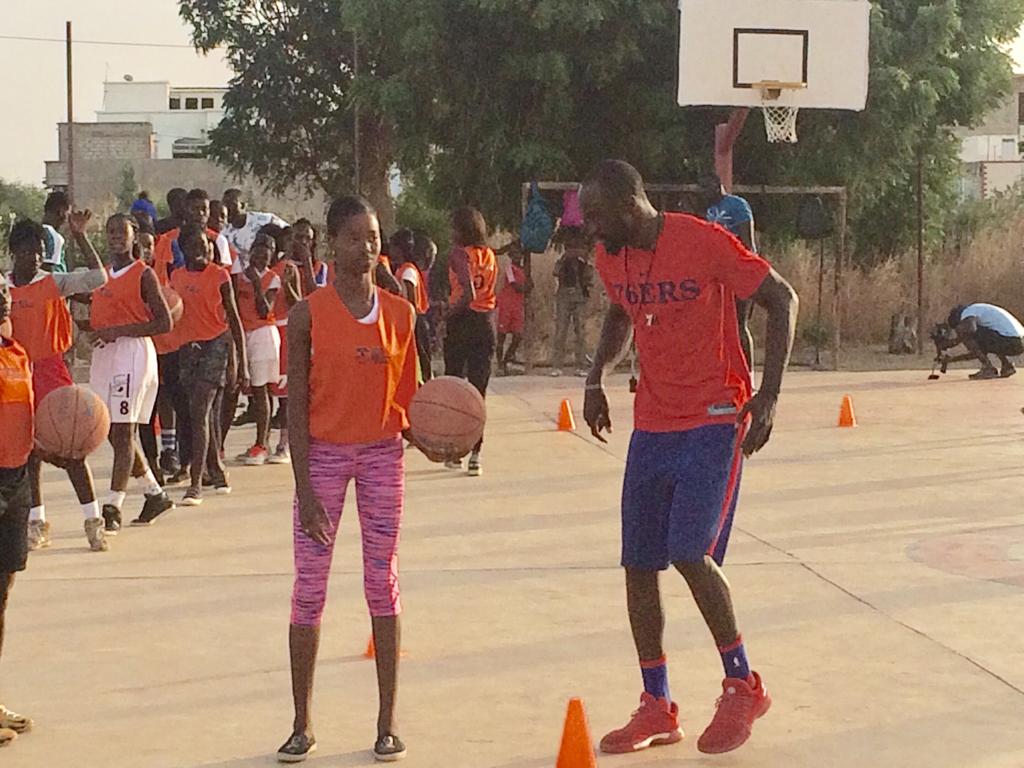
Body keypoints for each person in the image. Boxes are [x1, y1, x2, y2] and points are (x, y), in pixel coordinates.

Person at [580, 160, 797, 756]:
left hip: (715, 417)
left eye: (596, 214)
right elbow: (622, 309)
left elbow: (783, 299)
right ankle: (657, 705)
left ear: (629, 204)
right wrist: (596, 375)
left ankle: (742, 684)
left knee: (687, 551)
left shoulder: (703, 242)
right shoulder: (611, 256)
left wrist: (770, 395)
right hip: (652, 424)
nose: (590, 228)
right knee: (638, 562)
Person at [278, 195, 449, 765]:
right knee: (309, 589)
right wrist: (303, 490)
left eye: (374, 236)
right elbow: (295, 410)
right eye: (355, 237)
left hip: (380, 456)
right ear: (332, 244)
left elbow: (410, 406)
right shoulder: (307, 313)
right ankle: (301, 723)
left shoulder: (400, 313)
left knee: (383, 582)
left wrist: (439, 444)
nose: (367, 246)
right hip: (323, 457)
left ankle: (387, 722)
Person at [7, 215, 109, 552]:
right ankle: (37, 522)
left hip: (51, 370)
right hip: (16, 375)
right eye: (28, 251)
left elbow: (98, 277)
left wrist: (80, 237)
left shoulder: (52, 282)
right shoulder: (5, 288)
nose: (34, 257)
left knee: (72, 447)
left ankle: (93, 519)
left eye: (39, 251)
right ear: (13, 252)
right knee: (29, 453)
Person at [86, 214, 176, 532]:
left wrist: (119, 330)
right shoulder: (103, 275)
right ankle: (154, 493)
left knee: (125, 433)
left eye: (120, 232)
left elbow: (165, 323)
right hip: (106, 354)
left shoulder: (143, 274)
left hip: (132, 352)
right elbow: (91, 270)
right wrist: (79, 234)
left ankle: (112, 506)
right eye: (110, 231)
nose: (114, 237)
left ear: (133, 236)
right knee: (109, 430)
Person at [170, 222, 248, 506]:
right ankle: (218, 470)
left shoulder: (220, 276)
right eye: (195, 246)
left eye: (206, 246)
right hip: (187, 348)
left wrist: (240, 362)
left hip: (215, 344)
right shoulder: (175, 277)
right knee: (201, 413)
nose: (202, 250)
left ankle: (196, 482)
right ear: (185, 249)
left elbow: (235, 320)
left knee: (200, 410)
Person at [0, 274, 35, 748]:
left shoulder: (16, 351)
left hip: (17, 477)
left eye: (4, 292)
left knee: (2, 594)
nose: (4, 298)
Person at [443, 207, 497, 477]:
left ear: (461, 230)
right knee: (478, 392)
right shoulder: (488, 255)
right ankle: (476, 453)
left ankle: (454, 450)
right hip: (486, 322)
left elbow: (467, 293)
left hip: (463, 321)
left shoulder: (458, 254)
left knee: (454, 389)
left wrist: (447, 314)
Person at [700, 173, 758, 369]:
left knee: (739, 324)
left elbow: (748, 243)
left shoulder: (737, 205)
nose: (704, 194)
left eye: (706, 188)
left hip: (739, 271)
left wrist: (746, 271)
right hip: (718, 275)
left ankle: (748, 373)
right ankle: (724, 371)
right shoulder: (710, 210)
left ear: (717, 186)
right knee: (718, 326)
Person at [235, 233, 282, 465]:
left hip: (263, 334)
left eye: (269, 248)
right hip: (243, 334)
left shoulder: (271, 278)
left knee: (261, 388)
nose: (264, 252)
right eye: (260, 247)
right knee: (242, 389)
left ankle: (262, 444)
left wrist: (256, 284)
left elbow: (265, 310)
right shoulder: (238, 276)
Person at [934, 303, 1024, 379]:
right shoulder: (979, 310)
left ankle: (988, 369)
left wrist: (951, 343)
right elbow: (979, 352)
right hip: (1018, 342)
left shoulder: (968, 313)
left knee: (969, 335)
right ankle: (1006, 365)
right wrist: (951, 360)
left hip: (1010, 340)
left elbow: (970, 332)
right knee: (984, 333)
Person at [550, 228, 592, 377]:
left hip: (579, 296)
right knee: (561, 330)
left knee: (580, 332)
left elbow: (589, 278)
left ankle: (580, 365)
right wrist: (564, 259)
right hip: (564, 296)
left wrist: (584, 261)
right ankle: (557, 365)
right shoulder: (563, 261)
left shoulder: (583, 262)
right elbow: (555, 272)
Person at [392, 229, 433, 382]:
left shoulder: (408, 270)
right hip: (413, 320)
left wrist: (409, 325)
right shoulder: (401, 269)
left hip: (416, 321)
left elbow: (411, 302)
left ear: (399, 249)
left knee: (420, 361)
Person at [222, 188, 288, 270]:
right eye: (224, 204)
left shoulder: (265, 219)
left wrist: (279, 263)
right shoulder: (223, 232)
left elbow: (291, 235)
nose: (226, 208)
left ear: (242, 205)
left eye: (230, 204)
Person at [497, 243, 529, 374]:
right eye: (515, 254)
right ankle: (500, 364)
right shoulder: (510, 269)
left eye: (519, 254)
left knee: (518, 336)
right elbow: (516, 286)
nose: (517, 256)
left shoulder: (523, 270)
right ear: (511, 256)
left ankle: (506, 360)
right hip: (506, 304)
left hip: (517, 306)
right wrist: (526, 288)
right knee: (501, 336)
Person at [40, 191, 71, 274]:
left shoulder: (35, 232)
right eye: (68, 213)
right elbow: (49, 270)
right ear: (61, 212)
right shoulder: (53, 237)